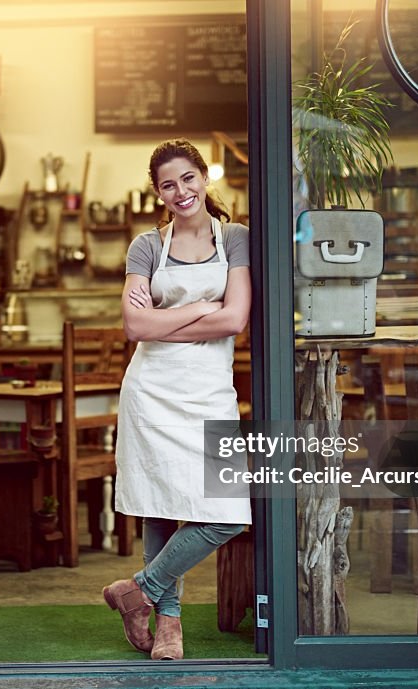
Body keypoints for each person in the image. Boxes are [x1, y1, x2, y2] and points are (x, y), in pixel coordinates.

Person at [102, 138, 252, 660]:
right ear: (158, 192)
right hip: (153, 389)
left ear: (203, 177)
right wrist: (201, 309)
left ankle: (138, 590)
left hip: (210, 390)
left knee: (230, 511)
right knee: (159, 503)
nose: (181, 191)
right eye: (169, 184)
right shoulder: (146, 246)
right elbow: (134, 326)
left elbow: (236, 319)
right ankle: (169, 626)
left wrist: (167, 321)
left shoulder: (235, 238)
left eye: (188, 178)